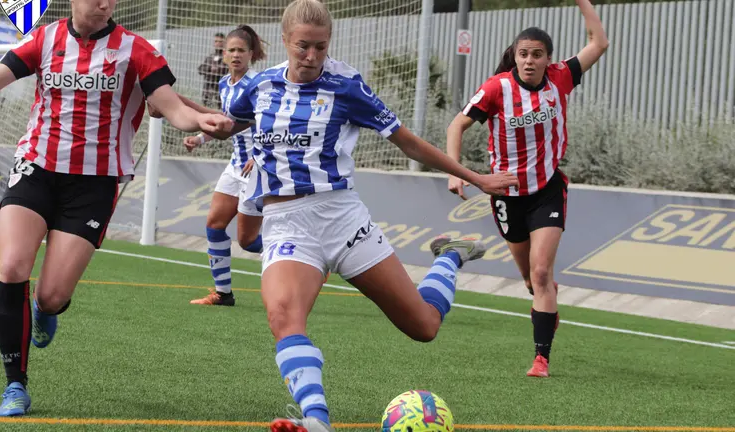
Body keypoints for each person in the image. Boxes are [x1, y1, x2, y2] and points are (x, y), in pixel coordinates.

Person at [204, 1, 518, 431]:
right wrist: (182, 115)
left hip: (341, 217)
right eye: (302, 47)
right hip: (287, 223)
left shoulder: (347, 86)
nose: (311, 56)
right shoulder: (257, 87)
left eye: (320, 46)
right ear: (284, 42)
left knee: (423, 327)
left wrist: (474, 176)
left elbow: (407, 142)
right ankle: (316, 420)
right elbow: (229, 122)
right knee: (283, 316)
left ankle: (449, 256)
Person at [0, 0, 230, 417]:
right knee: (13, 267)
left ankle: (43, 310)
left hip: (95, 184)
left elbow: (171, 107)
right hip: (35, 167)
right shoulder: (43, 38)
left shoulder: (137, 50)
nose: (105, 4)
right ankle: (15, 385)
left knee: (52, 296)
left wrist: (202, 122)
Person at [444, 0, 608, 378]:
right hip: (505, 196)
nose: (530, 61)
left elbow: (598, 42)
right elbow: (456, 126)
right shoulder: (496, 89)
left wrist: (582, 2)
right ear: (514, 58)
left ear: (548, 58)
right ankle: (546, 306)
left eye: (537, 54)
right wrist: (456, 172)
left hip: (547, 190)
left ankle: (541, 359)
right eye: (523, 54)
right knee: (529, 280)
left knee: (540, 272)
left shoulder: (561, 77)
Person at [182, 25, 267, 306]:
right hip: (234, 166)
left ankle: (304, 255)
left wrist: (259, 155)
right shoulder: (223, 84)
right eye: (231, 50)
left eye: (241, 50)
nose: (235, 55)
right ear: (223, 52)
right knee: (214, 225)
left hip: (256, 168)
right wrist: (199, 138)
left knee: (247, 240)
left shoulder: (258, 85)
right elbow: (225, 123)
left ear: (251, 54)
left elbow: (271, 123)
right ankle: (223, 293)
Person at [198, 33, 229, 108]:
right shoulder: (210, 57)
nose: (218, 43)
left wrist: (214, 69)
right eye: (216, 41)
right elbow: (200, 70)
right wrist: (210, 68)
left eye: (220, 41)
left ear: (224, 43)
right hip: (208, 92)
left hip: (221, 91)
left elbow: (225, 70)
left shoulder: (227, 56)